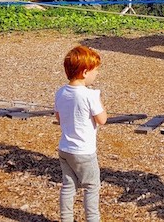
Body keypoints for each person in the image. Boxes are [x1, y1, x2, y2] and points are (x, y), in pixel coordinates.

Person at [54, 45, 108, 222]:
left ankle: (66, 219)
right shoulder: (89, 95)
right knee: (92, 187)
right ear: (85, 72)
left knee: (68, 186)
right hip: (84, 152)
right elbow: (102, 119)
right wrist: (98, 100)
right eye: (95, 71)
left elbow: (59, 117)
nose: (97, 74)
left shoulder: (60, 92)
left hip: (65, 149)